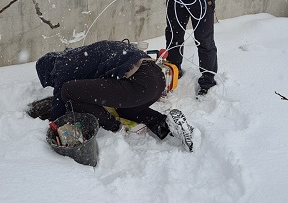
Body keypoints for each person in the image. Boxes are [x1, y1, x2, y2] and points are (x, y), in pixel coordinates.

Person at [35, 40, 194, 151]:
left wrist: (51, 125)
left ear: (51, 72)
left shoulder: (63, 66)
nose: (54, 83)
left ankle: (113, 126)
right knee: (126, 110)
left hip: (139, 83)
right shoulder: (79, 55)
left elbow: (60, 102)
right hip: (156, 79)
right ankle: (166, 125)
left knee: (68, 91)